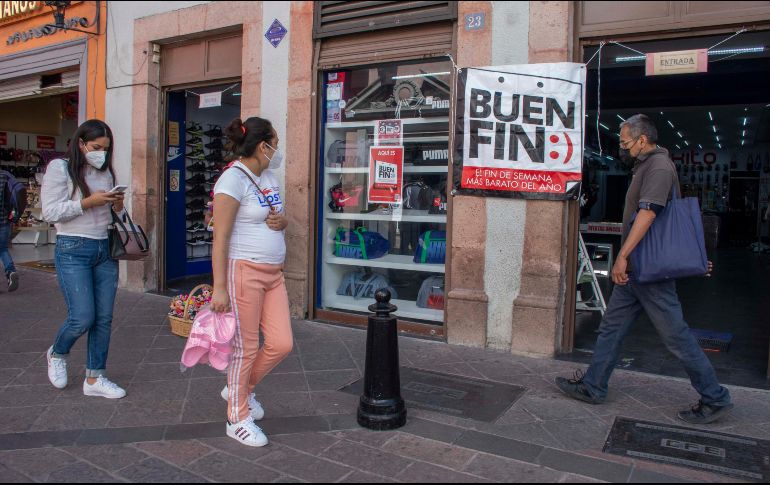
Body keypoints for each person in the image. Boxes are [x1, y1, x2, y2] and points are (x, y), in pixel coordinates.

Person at [556, 114, 733, 425]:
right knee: (611, 328)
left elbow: (649, 214)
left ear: (642, 140)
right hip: (636, 273)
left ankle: (714, 397)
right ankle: (593, 385)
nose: (622, 148)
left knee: (675, 336)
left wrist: (622, 255)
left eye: (625, 143)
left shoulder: (659, 167)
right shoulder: (644, 165)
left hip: (649, 271)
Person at [210, 116, 291, 447]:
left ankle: (240, 389)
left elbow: (273, 216)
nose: (278, 150)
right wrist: (219, 287)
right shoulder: (232, 181)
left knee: (281, 343)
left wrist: (282, 221)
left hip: (274, 273)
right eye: (275, 143)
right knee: (246, 348)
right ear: (263, 146)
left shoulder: (268, 175)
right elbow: (221, 237)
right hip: (244, 271)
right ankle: (236, 417)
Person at [42, 119, 127, 399]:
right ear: (80, 143)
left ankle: (95, 378)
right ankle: (58, 352)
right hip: (72, 248)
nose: (101, 152)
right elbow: (50, 212)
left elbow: (115, 218)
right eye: (95, 147)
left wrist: (118, 205)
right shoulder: (61, 168)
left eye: (106, 148)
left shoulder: (106, 172)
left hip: (105, 248)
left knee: (104, 318)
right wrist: (86, 202)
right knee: (82, 317)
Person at [0, 169, 19, 292]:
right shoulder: (5, 176)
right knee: (3, 249)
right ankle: (10, 270)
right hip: (4, 221)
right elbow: (18, 193)